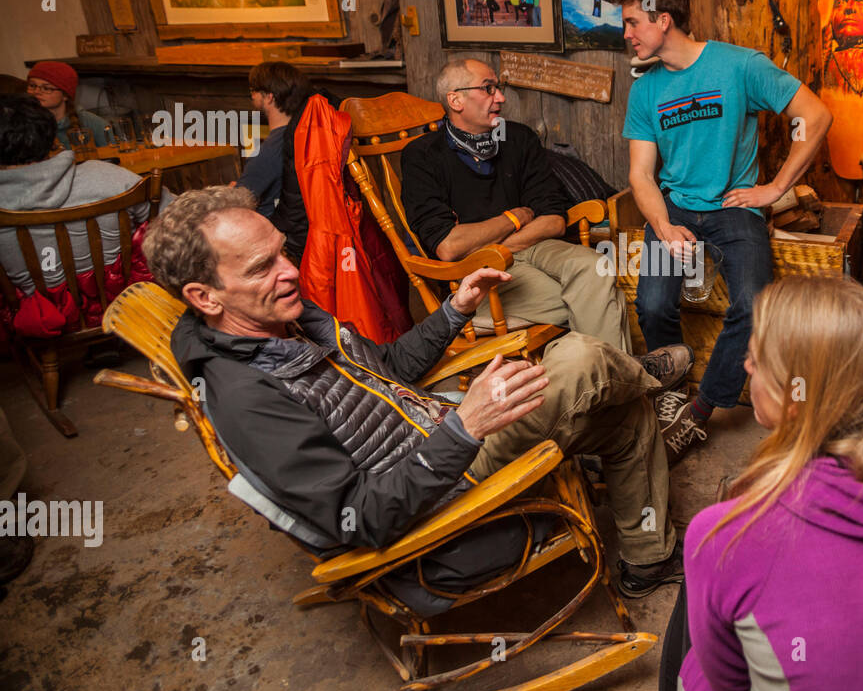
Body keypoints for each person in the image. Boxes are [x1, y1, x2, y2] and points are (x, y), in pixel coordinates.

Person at [143, 186, 687, 598]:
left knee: (625, 413)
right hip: (437, 504)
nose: (291, 272)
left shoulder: (288, 318)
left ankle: (647, 560)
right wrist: (464, 427)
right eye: (264, 267)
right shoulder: (247, 399)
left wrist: (456, 310)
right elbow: (362, 517)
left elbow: (387, 369)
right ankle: (642, 370)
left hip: (437, 432)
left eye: (285, 253)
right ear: (205, 297)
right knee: (578, 358)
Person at [670, 276, 863, 691]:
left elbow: (724, 683)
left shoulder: (724, 535)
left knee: (691, 641)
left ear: (795, 398)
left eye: (757, 359)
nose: (746, 366)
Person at [615, 0, 833, 463]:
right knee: (650, 304)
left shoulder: (739, 66)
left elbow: (815, 116)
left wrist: (777, 188)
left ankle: (700, 411)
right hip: (675, 208)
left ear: (663, 20)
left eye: (632, 22)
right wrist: (665, 228)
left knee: (756, 305)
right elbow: (642, 176)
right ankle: (670, 389)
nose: (625, 34)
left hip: (735, 206)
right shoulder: (645, 90)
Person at [401, 58, 693, 390]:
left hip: (533, 247)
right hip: (477, 278)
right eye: (488, 88)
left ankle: (606, 390)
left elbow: (553, 218)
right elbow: (450, 246)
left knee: (597, 269)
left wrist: (491, 240)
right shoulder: (423, 155)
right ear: (455, 100)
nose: (500, 97)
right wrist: (514, 216)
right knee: (596, 299)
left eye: (498, 87)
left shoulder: (518, 139)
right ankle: (633, 389)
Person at [0, 95, 165, 343]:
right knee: (153, 228)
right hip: (123, 297)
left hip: (43, 313)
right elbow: (173, 215)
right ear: (49, 133)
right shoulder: (107, 176)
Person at [237, 62, 311, 218]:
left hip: (271, 229)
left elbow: (237, 201)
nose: (251, 96)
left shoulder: (268, 151)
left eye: (253, 90)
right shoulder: (305, 134)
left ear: (269, 97)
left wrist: (232, 190)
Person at [24, 61, 110, 152]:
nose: (36, 91)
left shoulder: (92, 123)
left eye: (46, 88)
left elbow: (115, 155)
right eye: (32, 85)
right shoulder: (19, 124)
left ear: (65, 95)